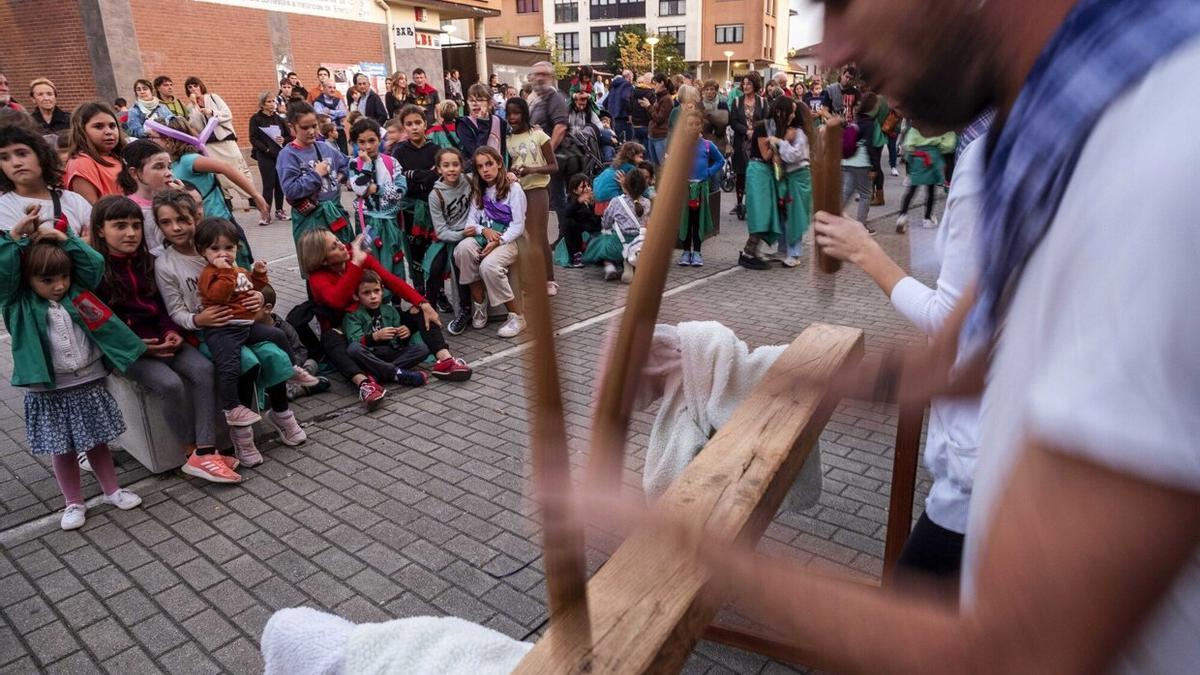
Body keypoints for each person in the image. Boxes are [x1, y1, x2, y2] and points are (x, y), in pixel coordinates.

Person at [813, 112, 990, 591]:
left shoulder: (988, 157)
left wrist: (865, 251)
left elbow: (947, 320)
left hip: (979, 480)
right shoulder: (1005, 138)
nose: (892, 104)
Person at [0, 214, 144, 530]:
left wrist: (67, 241)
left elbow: (94, 264)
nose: (59, 285)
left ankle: (112, 490)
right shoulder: (17, 303)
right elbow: (3, 274)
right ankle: (73, 503)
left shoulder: (77, 292)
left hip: (88, 381)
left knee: (97, 442)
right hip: (50, 390)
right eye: (47, 280)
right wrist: (11, 240)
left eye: (64, 276)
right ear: (27, 279)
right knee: (63, 449)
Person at [87, 195, 238, 483]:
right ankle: (190, 450)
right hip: (128, 351)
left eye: (136, 225)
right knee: (169, 383)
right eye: (120, 226)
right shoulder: (94, 270)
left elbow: (164, 307)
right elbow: (100, 323)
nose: (131, 233)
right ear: (100, 230)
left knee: (204, 370)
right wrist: (138, 347)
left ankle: (206, 451)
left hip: (164, 340)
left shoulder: (148, 262)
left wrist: (172, 332)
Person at [151, 189, 296, 462]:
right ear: (158, 226)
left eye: (182, 219)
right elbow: (176, 312)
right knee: (245, 362)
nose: (176, 227)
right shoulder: (166, 265)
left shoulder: (217, 245)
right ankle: (242, 438)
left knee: (273, 351)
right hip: (206, 335)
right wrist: (198, 320)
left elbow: (244, 284)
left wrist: (257, 296)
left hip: (240, 325)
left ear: (196, 217)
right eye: (166, 222)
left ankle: (282, 412)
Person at [298, 229, 473, 396]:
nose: (342, 245)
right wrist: (356, 264)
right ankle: (365, 384)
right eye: (334, 247)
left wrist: (423, 303)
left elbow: (392, 281)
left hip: (381, 323)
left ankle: (445, 361)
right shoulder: (318, 278)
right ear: (323, 260)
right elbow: (338, 300)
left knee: (422, 310)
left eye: (337, 240)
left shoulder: (356, 256)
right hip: (351, 336)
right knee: (331, 338)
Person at [194, 217, 315, 436]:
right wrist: (226, 272)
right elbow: (218, 296)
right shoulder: (210, 274)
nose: (223, 254)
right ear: (203, 251)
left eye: (229, 248)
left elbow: (250, 287)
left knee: (277, 335)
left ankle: (292, 369)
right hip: (223, 330)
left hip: (245, 326)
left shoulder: (237, 270)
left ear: (237, 248)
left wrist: (259, 274)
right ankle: (232, 407)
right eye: (215, 249)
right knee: (231, 365)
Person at [156, 116, 269, 266]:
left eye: (154, 137)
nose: (151, 141)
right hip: (203, 227)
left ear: (169, 139)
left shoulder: (189, 160)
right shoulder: (174, 164)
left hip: (219, 225)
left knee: (238, 272)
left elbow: (226, 168)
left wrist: (255, 195)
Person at [453, 146, 526, 338]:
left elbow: (518, 225)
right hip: (484, 237)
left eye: (489, 164)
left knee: (489, 266)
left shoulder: (513, 188)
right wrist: (484, 230)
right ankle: (479, 305)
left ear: (499, 163)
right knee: (462, 250)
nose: (485, 170)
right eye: (480, 166)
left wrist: (498, 240)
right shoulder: (479, 190)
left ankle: (517, 316)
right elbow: (470, 223)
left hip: (509, 239)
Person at [276, 101, 352, 249]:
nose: (311, 131)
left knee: (344, 256)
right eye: (305, 127)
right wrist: (316, 175)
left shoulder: (325, 148)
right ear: (292, 127)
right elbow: (290, 190)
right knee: (318, 259)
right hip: (310, 222)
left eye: (314, 126)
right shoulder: (288, 155)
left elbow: (346, 164)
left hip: (335, 214)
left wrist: (340, 177)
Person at [347, 118, 410, 297]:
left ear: (379, 140)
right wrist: (367, 165)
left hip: (390, 220)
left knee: (394, 261)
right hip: (367, 222)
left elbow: (400, 191)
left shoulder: (391, 162)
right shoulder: (355, 164)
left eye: (372, 140)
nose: (367, 146)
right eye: (361, 142)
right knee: (371, 263)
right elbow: (360, 188)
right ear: (355, 143)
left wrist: (378, 189)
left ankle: (395, 301)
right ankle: (375, 302)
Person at [505, 96, 559, 297]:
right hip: (517, 191)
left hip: (538, 188)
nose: (512, 117)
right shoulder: (507, 140)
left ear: (525, 114)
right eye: (509, 113)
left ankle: (549, 279)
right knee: (522, 236)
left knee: (539, 235)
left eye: (516, 113)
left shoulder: (539, 135)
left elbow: (554, 166)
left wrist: (531, 170)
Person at [342, 270, 432, 388]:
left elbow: (397, 341)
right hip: (370, 355)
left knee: (423, 348)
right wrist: (375, 336)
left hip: (391, 352)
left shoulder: (390, 311)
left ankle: (379, 374)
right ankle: (395, 373)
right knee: (353, 349)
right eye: (366, 293)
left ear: (382, 291)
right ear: (356, 296)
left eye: (376, 291)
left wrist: (404, 333)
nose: (373, 296)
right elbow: (354, 340)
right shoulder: (353, 315)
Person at [0, 123, 92, 236]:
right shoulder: (3, 207)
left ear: (41, 155)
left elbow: (96, 240)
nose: (15, 163)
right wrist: (79, 242)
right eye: (4, 158)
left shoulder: (74, 201)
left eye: (22, 154)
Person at [183, 76, 256, 209]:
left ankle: (251, 195)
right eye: (190, 87)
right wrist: (195, 106)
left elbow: (228, 114)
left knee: (238, 165)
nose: (193, 89)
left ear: (201, 86)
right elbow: (196, 125)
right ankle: (226, 199)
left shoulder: (213, 98)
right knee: (217, 172)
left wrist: (212, 112)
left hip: (225, 138)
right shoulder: (190, 107)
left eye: (195, 85)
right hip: (209, 143)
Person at [390, 104, 440, 291]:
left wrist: (414, 174)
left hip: (433, 207)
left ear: (425, 124)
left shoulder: (435, 149)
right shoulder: (399, 151)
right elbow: (399, 180)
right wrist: (424, 176)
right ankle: (419, 291)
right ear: (404, 127)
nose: (414, 127)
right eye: (409, 124)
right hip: (410, 209)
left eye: (418, 122)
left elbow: (438, 176)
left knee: (435, 250)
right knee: (414, 251)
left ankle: (437, 292)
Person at [252, 284, 330, 400]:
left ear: (267, 308)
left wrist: (288, 366)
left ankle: (289, 389)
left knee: (311, 363)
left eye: (252, 308)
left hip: (287, 369)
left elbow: (300, 350)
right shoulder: (248, 328)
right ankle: (299, 389)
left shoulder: (284, 327)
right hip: (266, 373)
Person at [428, 147, 475, 334]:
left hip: (472, 233)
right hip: (451, 236)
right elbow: (441, 231)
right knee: (433, 268)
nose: (451, 169)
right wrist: (461, 234)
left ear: (462, 166)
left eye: (455, 164)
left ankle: (465, 309)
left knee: (459, 262)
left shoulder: (470, 180)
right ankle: (428, 311)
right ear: (439, 169)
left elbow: (494, 179)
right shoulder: (435, 195)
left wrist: (510, 176)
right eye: (446, 165)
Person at [766, 97, 813, 266]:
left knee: (794, 216)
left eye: (794, 112)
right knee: (784, 214)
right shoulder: (786, 131)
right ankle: (783, 249)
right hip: (788, 177)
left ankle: (794, 253)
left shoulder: (799, 133)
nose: (791, 115)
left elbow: (794, 155)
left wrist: (780, 142)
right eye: (790, 111)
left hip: (798, 177)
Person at [582, 166, 649, 283]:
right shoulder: (647, 202)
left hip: (618, 246)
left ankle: (610, 267)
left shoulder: (616, 201)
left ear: (626, 185)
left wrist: (607, 229)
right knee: (632, 249)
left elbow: (606, 223)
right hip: (640, 245)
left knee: (601, 241)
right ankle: (630, 264)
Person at [676, 112, 725, 267]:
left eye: (697, 124)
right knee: (686, 220)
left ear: (701, 126)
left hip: (701, 189)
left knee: (698, 221)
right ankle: (685, 251)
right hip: (685, 189)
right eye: (690, 124)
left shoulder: (707, 145)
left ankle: (697, 252)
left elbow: (720, 160)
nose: (693, 127)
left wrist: (708, 172)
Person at [117, 140, 177, 255]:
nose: (168, 173)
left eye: (169, 167)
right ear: (135, 173)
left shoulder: (175, 200)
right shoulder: (127, 208)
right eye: (158, 167)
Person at [739, 103, 780, 270]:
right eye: (789, 112)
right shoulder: (764, 126)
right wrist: (776, 143)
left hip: (765, 173)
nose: (791, 116)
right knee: (761, 214)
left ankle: (753, 251)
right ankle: (748, 253)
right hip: (758, 171)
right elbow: (765, 155)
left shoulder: (773, 126)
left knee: (767, 214)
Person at [526, 62, 569, 216]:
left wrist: (546, 154)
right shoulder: (538, 99)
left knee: (556, 200)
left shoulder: (555, 98)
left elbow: (561, 127)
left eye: (543, 74)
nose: (539, 78)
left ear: (551, 77)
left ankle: (563, 229)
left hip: (552, 160)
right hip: (542, 160)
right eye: (537, 74)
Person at [896, 123, 956, 232]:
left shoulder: (916, 125)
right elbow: (948, 146)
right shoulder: (938, 124)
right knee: (931, 190)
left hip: (918, 157)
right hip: (933, 156)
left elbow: (908, 145)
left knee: (912, 189)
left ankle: (902, 216)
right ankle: (927, 219)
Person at [65, 102, 127, 204]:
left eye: (112, 126)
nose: (109, 132)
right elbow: (91, 209)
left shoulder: (121, 157)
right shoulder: (81, 163)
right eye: (98, 127)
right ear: (82, 131)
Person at [248, 91, 292, 224]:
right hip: (265, 155)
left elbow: (289, 136)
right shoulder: (256, 119)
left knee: (279, 184)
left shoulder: (279, 119)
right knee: (268, 184)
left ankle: (280, 210)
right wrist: (266, 149)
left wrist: (283, 139)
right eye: (269, 101)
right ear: (262, 104)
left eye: (274, 101)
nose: (272, 104)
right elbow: (253, 138)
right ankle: (265, 213)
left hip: (279, 154)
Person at [729, 72, 767, 220]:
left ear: (755, 85)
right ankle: (740, 204)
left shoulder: (762, 102)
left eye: (749, 84)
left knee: (756, 174)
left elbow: (766, 121)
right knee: (741, 174)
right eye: (744, 84)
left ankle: (754, 204)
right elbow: (733, 122)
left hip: (757, 143)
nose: (745, 86)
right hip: (740, 142)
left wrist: (755, 132)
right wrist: (746, 131)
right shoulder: (736, 101)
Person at [841, 95, 876, 233]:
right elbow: (869, 146)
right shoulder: (870, 123)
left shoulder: (856, 120)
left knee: (847, 192)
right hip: (862, 162)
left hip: (847, 161)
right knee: (865, 194)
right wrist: (873, 166)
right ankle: (861, 226)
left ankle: (832, 218)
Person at [457, 83, 509, 172]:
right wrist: (483, 123)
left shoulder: (499, 121)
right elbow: (477, 153)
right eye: (471, 100)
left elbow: (504, 150)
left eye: (480, 100)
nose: (475, 104)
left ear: (490, 103)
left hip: (499, 171)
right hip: (478, 173)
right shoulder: (464, 124)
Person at [561, 173, 602, 268]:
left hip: (592, 231)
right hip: (578, 234)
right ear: (575, 190)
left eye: (588, 185)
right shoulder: (572, 200)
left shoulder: (592, 198)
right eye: (583, 187)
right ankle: (576, 255)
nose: (587, 189)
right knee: (568, 222)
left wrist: (593, 204)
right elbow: (566, 213)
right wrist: (578, 201)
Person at [643, 74, 674, 166]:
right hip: (653, 135)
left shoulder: (667, 99)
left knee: (663, 166)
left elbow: (659, 118)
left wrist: (649, 106)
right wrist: (647, 107)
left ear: (662, 83)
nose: (653, 87)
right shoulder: (659, 97)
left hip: (661, 136)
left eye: (655, 84)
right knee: (655, 166)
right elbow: (653, 117)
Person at [313, 81, 350, 155]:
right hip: (325, 133)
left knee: (344, 154)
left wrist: (330, 111)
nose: (332, 90)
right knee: (329, 154)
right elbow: (321, 117)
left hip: (339, 130)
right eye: (330, 87)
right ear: (324, 88)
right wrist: (337, 114)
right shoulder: (318, 102)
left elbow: (344, 113)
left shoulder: (338, 100)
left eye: (334, 88)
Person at [700, 80, 730, 157]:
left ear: (716, 91)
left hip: (720, 141)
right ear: (704, 91)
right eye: (707, 89)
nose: (709, 92)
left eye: (712, 89)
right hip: (703, 141)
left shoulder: (722, 104)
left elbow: (728, 122)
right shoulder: (699, 105)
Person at [604, 70, 633, 142]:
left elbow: (605, 102)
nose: (632, 80)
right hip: (623, 117)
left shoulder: (613, 86)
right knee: (627, 142)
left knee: (616, 141)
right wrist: (629, 113)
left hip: (612, 117)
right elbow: (625, 98)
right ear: (629, 77)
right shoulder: (627, 84)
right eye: (632, 77)